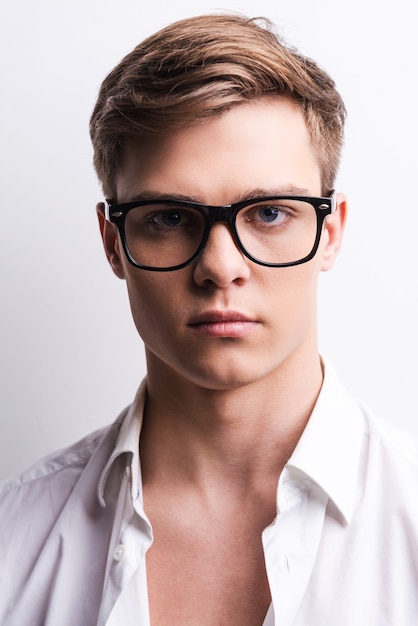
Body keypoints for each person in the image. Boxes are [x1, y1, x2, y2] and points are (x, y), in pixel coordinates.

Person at [0, 13, 417, 626]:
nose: (221, 269)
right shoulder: (14, 543)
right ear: (113, 243)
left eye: (270, 213)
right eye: (168, 217)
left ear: (330, 233)